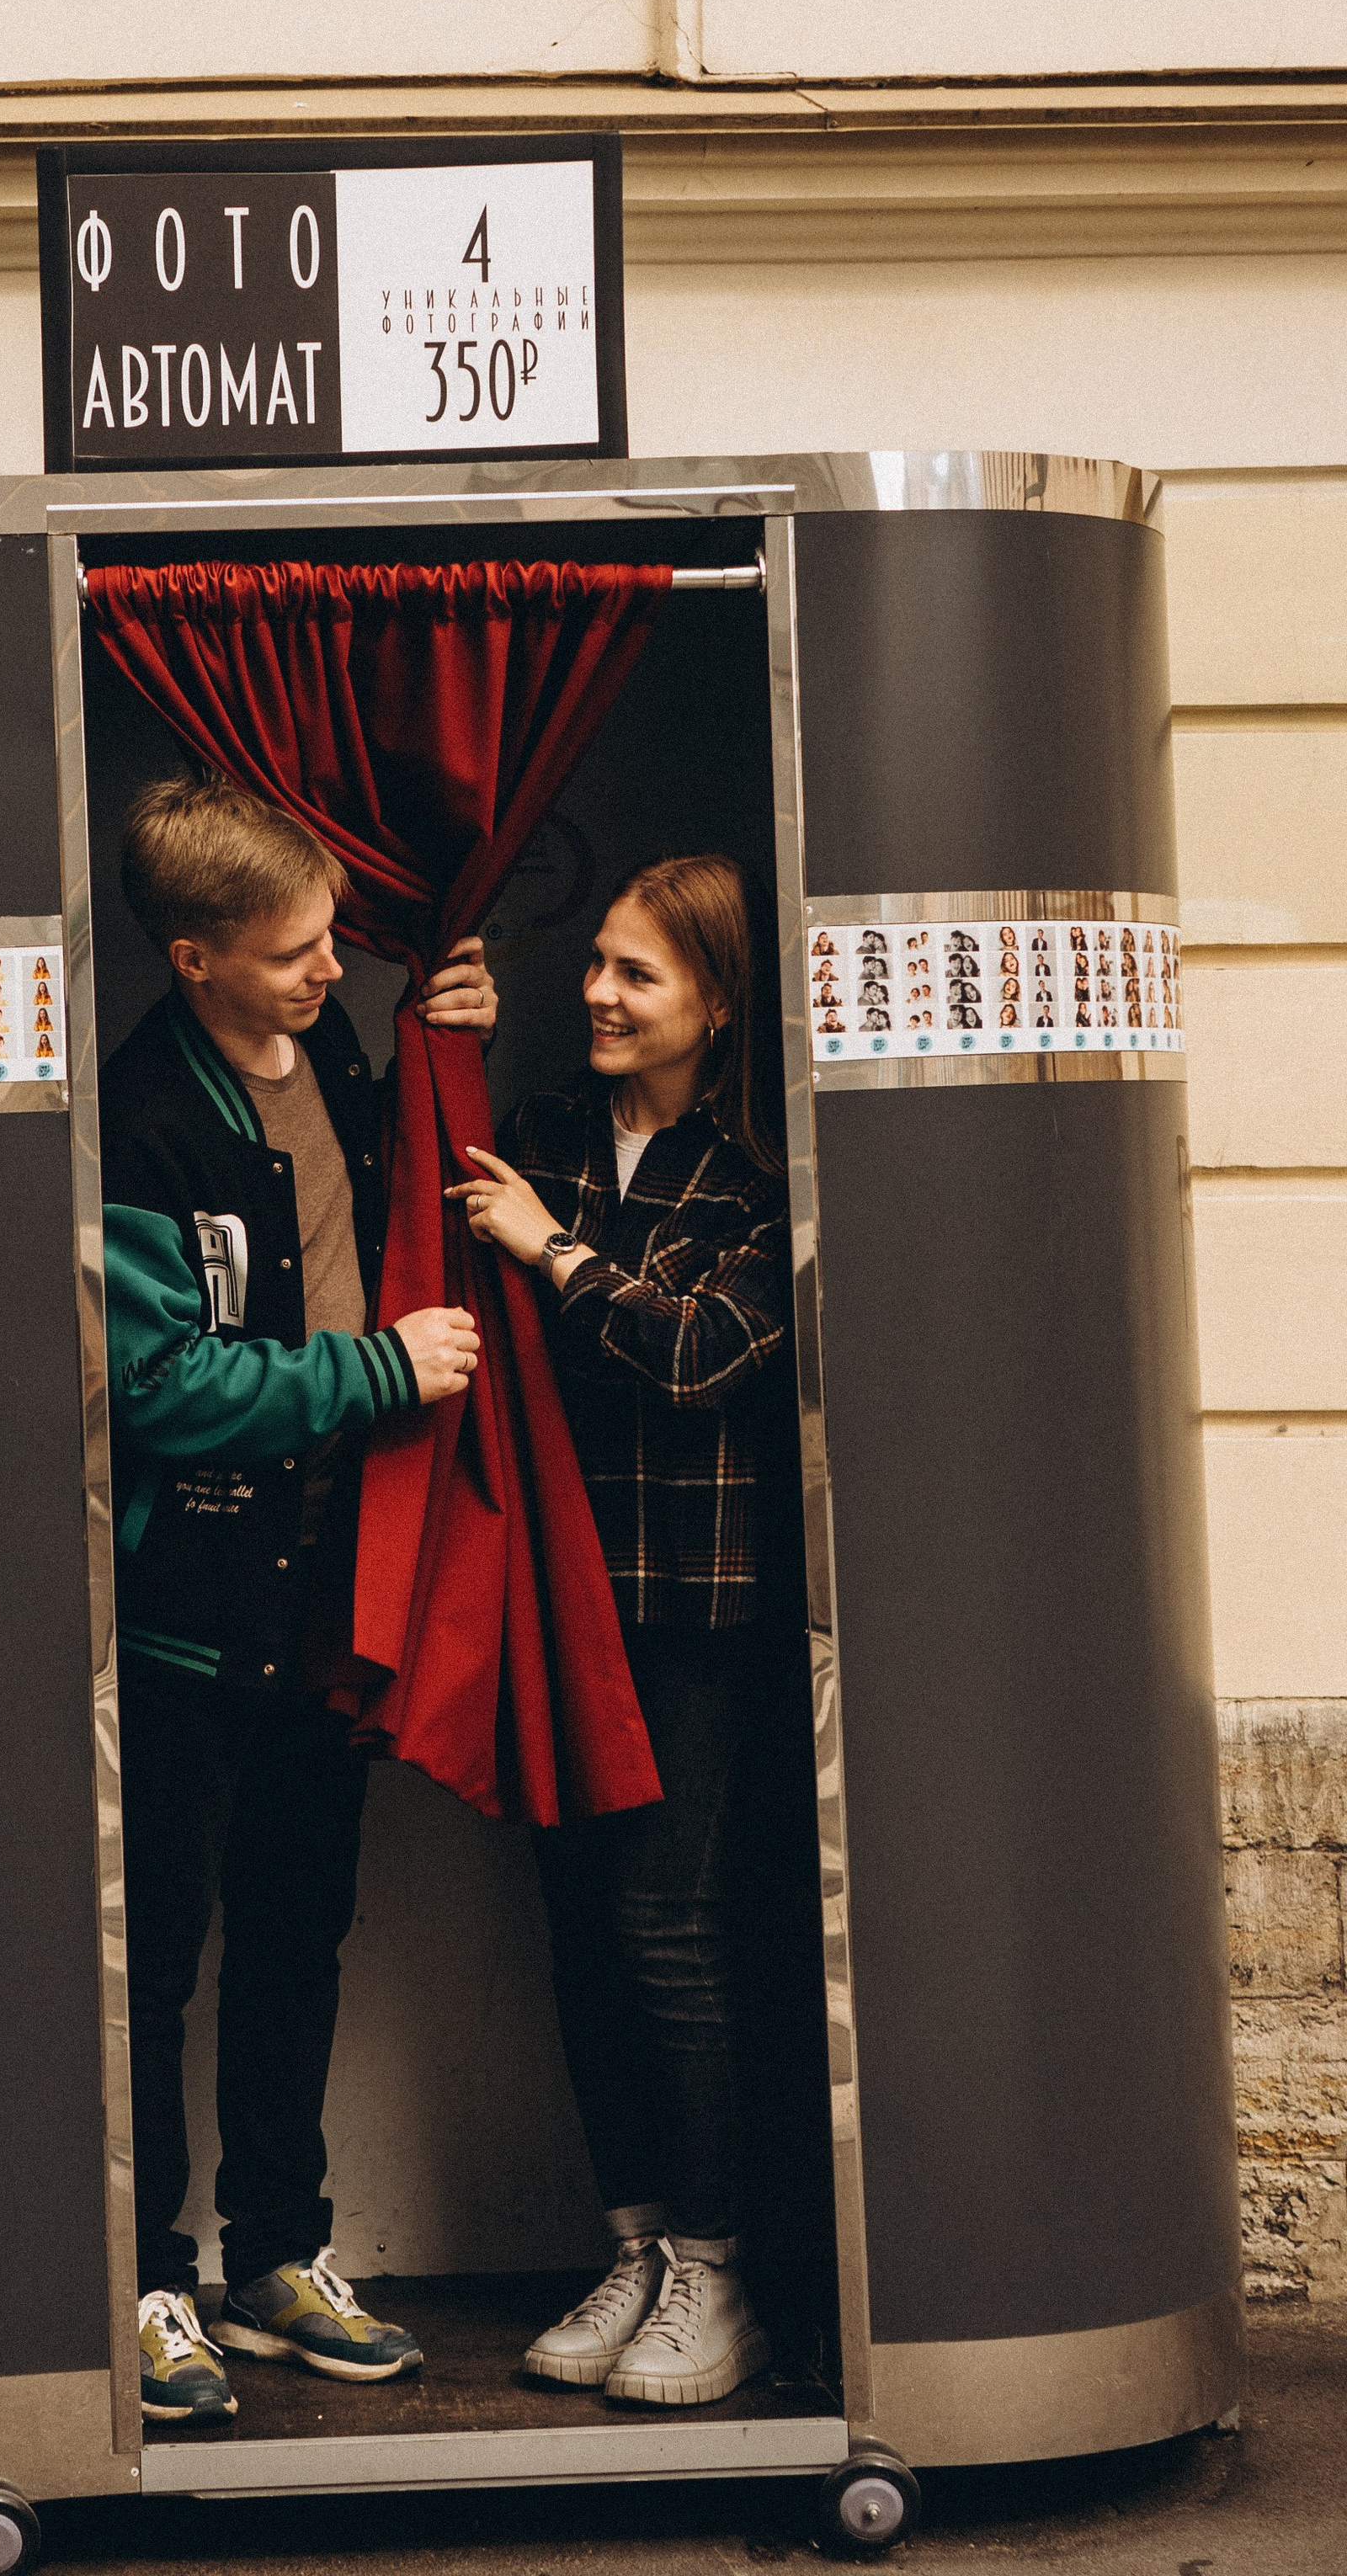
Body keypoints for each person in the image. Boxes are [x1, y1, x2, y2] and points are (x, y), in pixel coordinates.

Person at [100, 774, 493, 2426]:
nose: (327, 970)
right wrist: (376, 1370)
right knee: (154, 1968)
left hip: (330, 1604)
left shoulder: (333, 1047)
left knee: (293, 1947)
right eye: (290, 953)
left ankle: (273, 2256)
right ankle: (138, 2282)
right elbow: (154, 1382)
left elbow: (390, 1182)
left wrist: (446, 1024)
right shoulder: (136, 1113)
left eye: (333, 939)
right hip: (188, 1614)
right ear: (194, 959)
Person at [446, 854, 793, 2411]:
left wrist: (551, 1254)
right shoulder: (543, 1140)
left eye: (636, 974)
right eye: (593, 962)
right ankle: (640, 2246)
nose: (596, 992)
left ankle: (719, 2271)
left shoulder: (762, 1172)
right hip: (556, 1592)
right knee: (584, 1930)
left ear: (715, 1004)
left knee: (669, 1926)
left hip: (693, 1610)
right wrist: (436, 1031)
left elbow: (700, 1356)